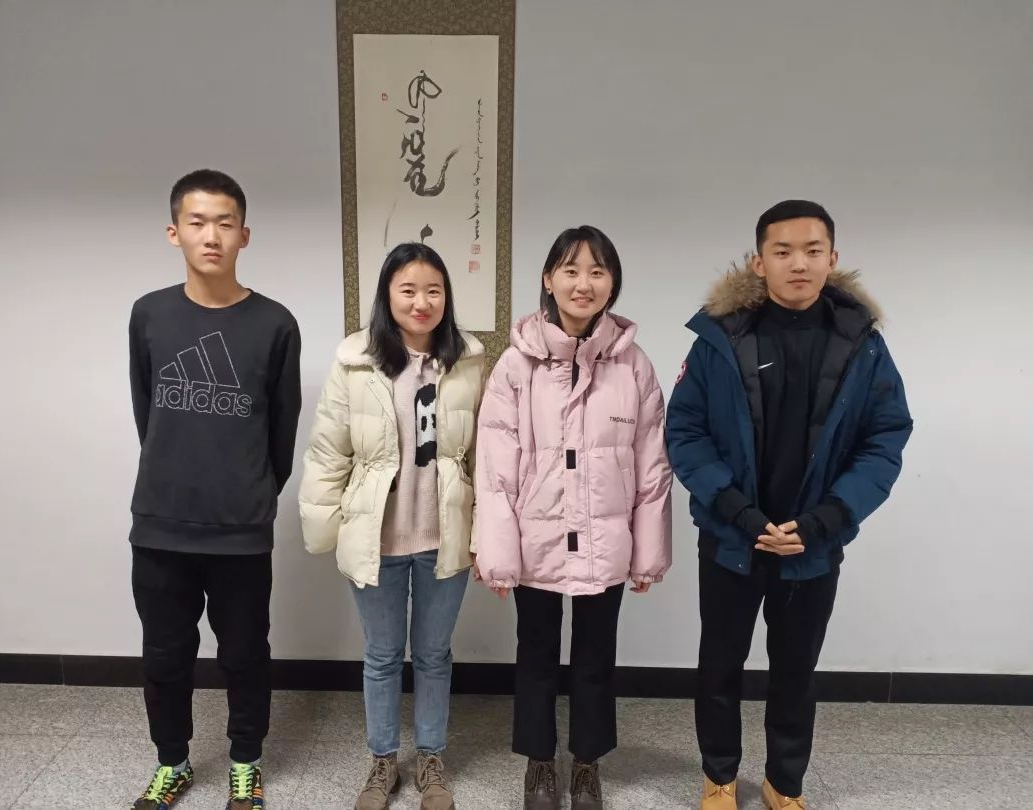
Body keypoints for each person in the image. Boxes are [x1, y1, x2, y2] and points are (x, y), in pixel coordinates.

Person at [665, 200, 913, 810]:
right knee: (719, 665)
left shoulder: (862, 345)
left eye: (811, 250)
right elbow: (686, 432)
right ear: (760, 262)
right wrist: (739, 512)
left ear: (832, 258)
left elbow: (885, 438)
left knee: (796, 671)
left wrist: (828, 519)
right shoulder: (720, 339)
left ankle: (785, 783)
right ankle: (719, 777)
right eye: (783, 251)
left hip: (813, 542)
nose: (798, 263)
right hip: (732, 536)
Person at [475, 225, 673, 810]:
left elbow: (652, 463)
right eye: (570, 269)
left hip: (605, 535)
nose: (583, 283)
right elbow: (495, 466)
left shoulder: (633, 365)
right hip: (537, 535)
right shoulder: (516, 364)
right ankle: (540, 762)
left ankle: (586, 763)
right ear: (548, 279)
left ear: (612, 283)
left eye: (597, 271)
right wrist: (498, 553)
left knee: (595, 657)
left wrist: (648, 552)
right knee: (535, 654)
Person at [127, 169, 302, 809]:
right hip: (161, 523)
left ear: (244, 235)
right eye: (197, 222)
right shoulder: (149, 314)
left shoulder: (275, 324)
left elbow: (281, 430)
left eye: (225, 223)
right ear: (174, 232)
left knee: (245, 654)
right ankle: (171, 762)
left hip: (241, 531)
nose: (211, 236)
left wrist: (251, 494)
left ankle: (245, 763)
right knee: (164, 655)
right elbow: (148, 412)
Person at [299, 242, 485, 810]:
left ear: (446, 297)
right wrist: (323, 523)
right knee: (381, 655)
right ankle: (383, 760)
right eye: (408, 290)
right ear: (387, 295)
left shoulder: (469, 363)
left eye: (433, 290)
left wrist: (489, 529)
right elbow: (329, 449)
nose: (421, 302)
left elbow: (487, 454)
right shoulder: (356, 362)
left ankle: (430, 758)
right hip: (375, 536)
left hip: (445, 535)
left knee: (433, 655)